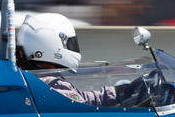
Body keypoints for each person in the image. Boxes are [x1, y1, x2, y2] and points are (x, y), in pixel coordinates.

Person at [16, 13, 152, 107]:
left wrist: (122, 92)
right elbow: (83, 108)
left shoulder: (39, 81)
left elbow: (83, 98)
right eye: (70, 43)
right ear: (51, 44)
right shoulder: (52, 87)